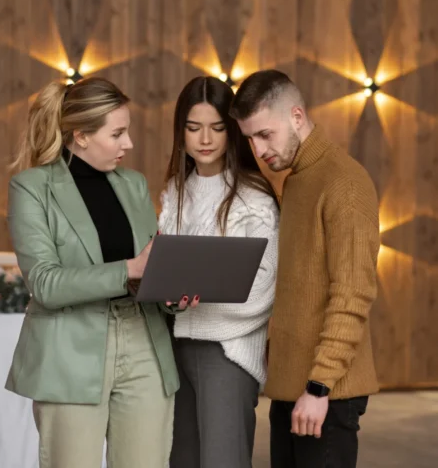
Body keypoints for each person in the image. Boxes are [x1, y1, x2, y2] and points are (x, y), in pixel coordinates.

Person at [5, 77, 179, 468]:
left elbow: (151, 265)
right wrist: (130, 269)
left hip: (144, 343)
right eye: (117, 133)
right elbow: (45, 283)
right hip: (70, 349)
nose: (128, 143)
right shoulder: (31, 188)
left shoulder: (133, 185)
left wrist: (172, 290)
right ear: (80, 136)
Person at [229, 69, 380, 468]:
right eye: (249, 138)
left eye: (265, 134)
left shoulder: (344, 182)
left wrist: (319, 385)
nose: (259, 150)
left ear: (297, 117)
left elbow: (352, 293)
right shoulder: (295, 181)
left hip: (326, 394)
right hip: (292, 390)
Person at [159, 76, 280, 468]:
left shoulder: (254, 197)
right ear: (181, 133)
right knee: (180, 461)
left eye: (217, 128)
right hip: (175, 349)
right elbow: (164, 273)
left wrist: (201, 308)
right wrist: (173, 302)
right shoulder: (174, 192)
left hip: (228, 353)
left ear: (233, 132)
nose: (205, 139)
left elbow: (264, 289)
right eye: (194, 128)